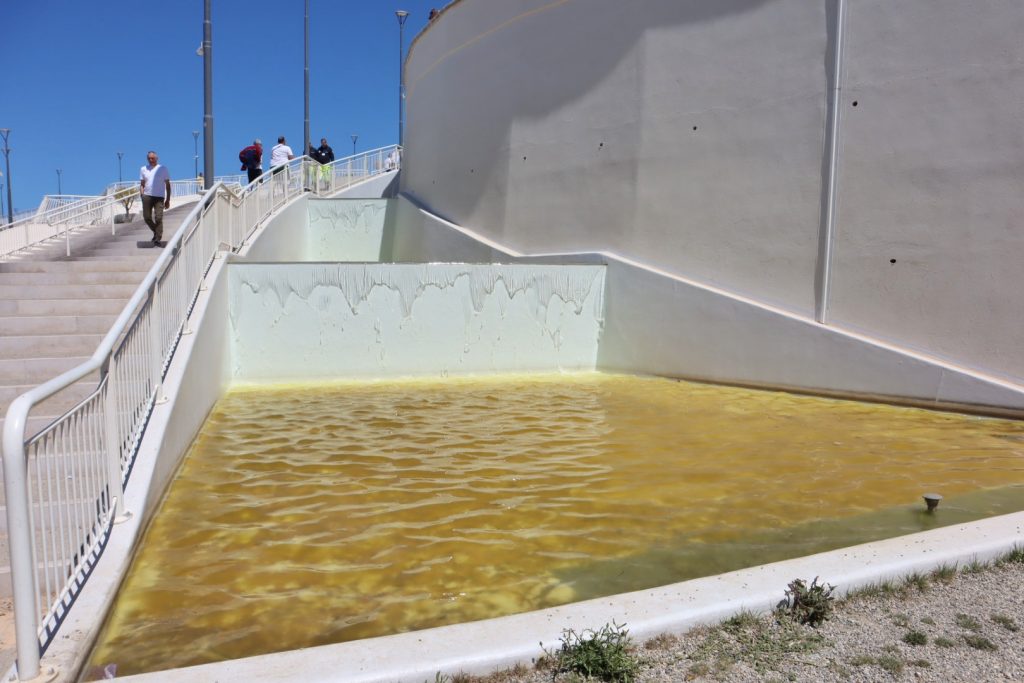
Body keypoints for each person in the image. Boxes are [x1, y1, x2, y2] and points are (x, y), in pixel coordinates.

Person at [139, 150, 171, 246]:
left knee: (158, 218)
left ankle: (157, 238)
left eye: (152, 158)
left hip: (159, 197)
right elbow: (142, 184)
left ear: (157, 158)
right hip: (147, 196)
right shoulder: (143, 169)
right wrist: (142, 194)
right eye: (149, 158)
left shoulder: (163, 169)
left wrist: (168, 199)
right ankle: (156, 232)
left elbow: (168, 185)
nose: (151, 160)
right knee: (147, 217)